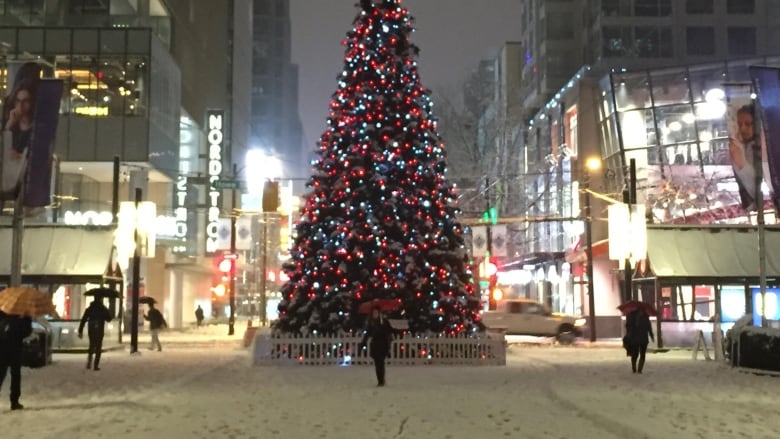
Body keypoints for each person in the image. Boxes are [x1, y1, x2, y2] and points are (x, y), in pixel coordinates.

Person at [729, 104, 764, 210]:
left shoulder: (764, 147)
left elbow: (759, 187)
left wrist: (742, 164)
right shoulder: (739, 145)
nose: (742, 128)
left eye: (748, 124)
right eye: (740, 124)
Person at [0, 311, 33, 410]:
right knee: (12, 374)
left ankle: (15, 400)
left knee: (11, 374)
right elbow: (28, 330)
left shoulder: (5, 310)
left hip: (8, 346)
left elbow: (27, 330)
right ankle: (14, 401)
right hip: (10, 346)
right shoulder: (24, 313)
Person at [360, 306, 394, 387]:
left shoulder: (384, 321)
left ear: (379, 313)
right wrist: (363, 343)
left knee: (381, 363)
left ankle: (381, 380)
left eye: (376, 313)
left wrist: (387, 332)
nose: (375, 314)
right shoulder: (371, 323)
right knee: (377, 363)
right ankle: (379, 379)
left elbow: (389, 330)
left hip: (383, 344)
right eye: (374, 313)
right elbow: (368, 334)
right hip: (375, 345)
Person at [78, 299, 113, 371]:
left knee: (91, 345)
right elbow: (109, 319)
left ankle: (89, 362)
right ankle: (96, 365)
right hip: (100, 329)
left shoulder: (90, 308)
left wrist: (80, 330)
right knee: (98, 347)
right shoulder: (102, 308)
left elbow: (83, 319)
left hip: (91, 329)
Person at [624, 308, 654, 374]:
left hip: (641, 338)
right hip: (637, 338)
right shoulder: (633, 317)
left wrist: (651, 335)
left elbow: (649, 327)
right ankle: (634, 368)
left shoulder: (643, 317)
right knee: (635, 354)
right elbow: (628, 326)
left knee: (641, 354)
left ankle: (639, 369)